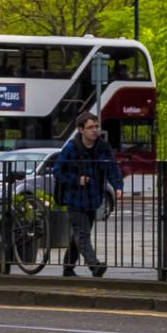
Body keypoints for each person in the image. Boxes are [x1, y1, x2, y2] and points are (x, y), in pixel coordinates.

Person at [52, 112, 122, 278]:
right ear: (81, 129)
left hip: (93, 199)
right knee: (82, 233)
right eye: (90, 127)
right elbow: (57, 171)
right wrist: (76, 179)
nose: (95, 130)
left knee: (79, 235)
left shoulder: (102, 147)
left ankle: (68, 267)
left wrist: (118, 186)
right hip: (74, 199)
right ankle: (94, 265)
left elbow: (111, 167)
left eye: (97, 127)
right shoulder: (71, 147)